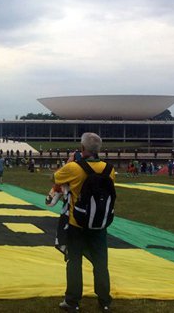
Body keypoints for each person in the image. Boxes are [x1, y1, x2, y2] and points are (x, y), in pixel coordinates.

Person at [52, 133, 114, 312]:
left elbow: (56, 179)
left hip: (76, 223)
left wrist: (70, 161)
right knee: (101, 264)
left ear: (82, 149)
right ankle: (104, 302)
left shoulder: (74, 168)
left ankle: (72, 301)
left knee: (74, 263)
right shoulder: (109, 169)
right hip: (99, 224)